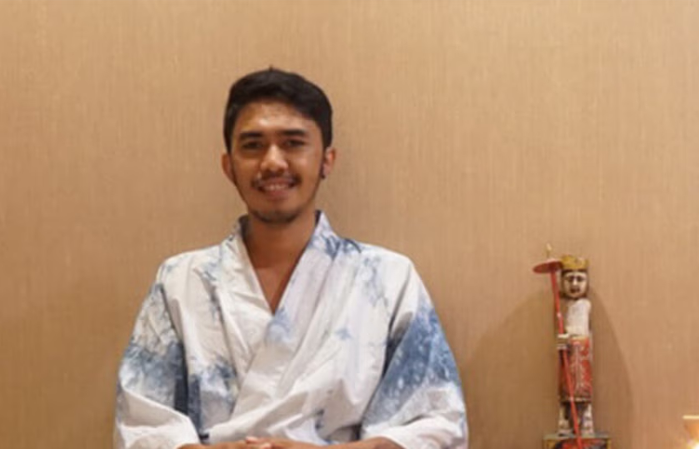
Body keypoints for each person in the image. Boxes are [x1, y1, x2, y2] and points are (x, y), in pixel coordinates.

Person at [114, 68, 468, 449]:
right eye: (253, 145)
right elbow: (140, 428)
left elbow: (437, 427)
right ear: (229, 166)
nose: (273, 162)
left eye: (293, 143)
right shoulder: (181, 281)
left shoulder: (388, 279)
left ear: (327, 160)